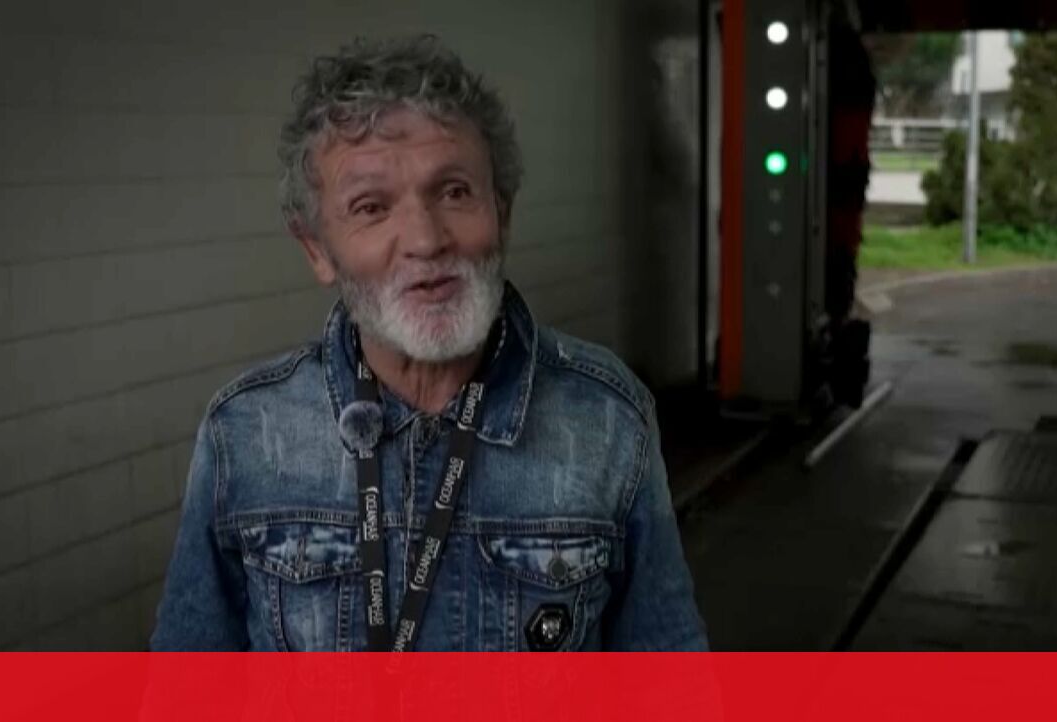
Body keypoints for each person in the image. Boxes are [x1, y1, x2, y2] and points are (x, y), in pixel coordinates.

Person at [150, 35, 707, 651]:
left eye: (454, 192)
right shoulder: (245, 432)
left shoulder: (606, 417)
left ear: (502, 212)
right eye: (371, 207)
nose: (425, 239)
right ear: (316, 249)